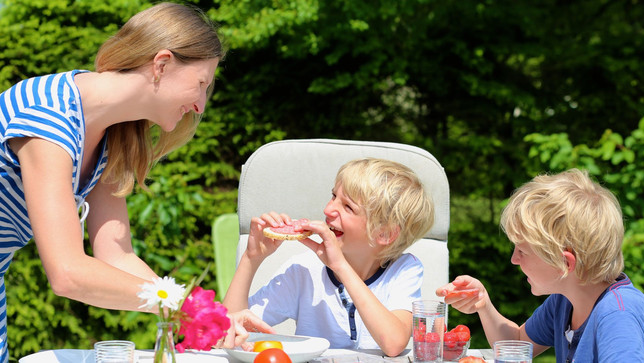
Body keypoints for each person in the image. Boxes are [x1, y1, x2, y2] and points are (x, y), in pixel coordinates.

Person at [0, 3, 271, 361]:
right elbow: (67, 272)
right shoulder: (47, 116)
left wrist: (207, 320)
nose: (200, 105)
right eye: (201, 84)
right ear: (161, 64)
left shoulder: (109, 135)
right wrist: (184, 307)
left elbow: (118, 255)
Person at [437, 169, 644, 362]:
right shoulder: (565, 301)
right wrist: (482, 304)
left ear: (565, 263)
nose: (514, 259)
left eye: (522, 251)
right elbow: (517, 343)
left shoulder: (618, 316)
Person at [223, 158, 435, 357]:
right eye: (334, 196)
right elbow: (228, 330)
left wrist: (340, 267)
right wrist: (251, 258)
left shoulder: (405, 269)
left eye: (348, 207)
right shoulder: (303, 270)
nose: (328, 209)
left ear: (385, 234)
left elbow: (393, 343)